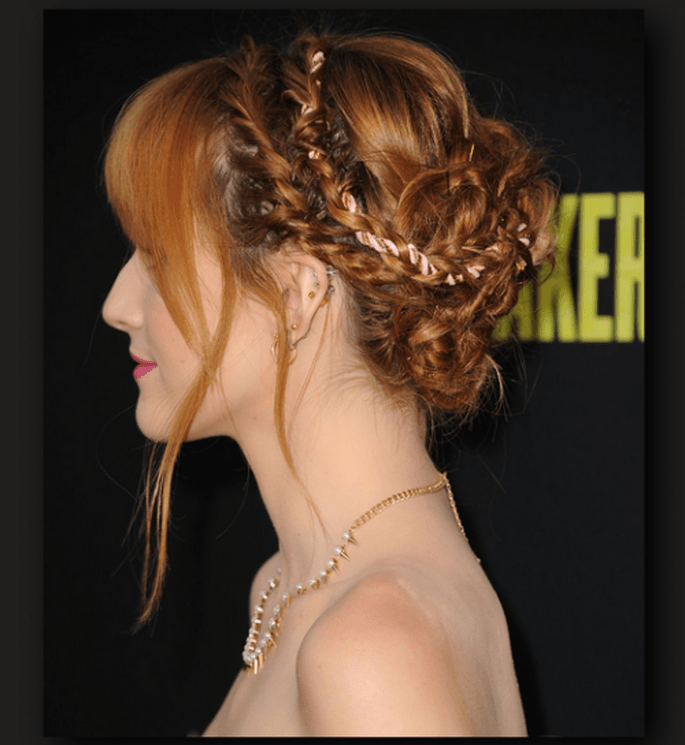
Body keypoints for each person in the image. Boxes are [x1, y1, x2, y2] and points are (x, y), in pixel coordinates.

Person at [101, 27, 556, 737]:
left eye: (158, 256)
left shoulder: (369, 647)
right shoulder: (287, 583)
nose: (117, 304)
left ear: (296, 295)